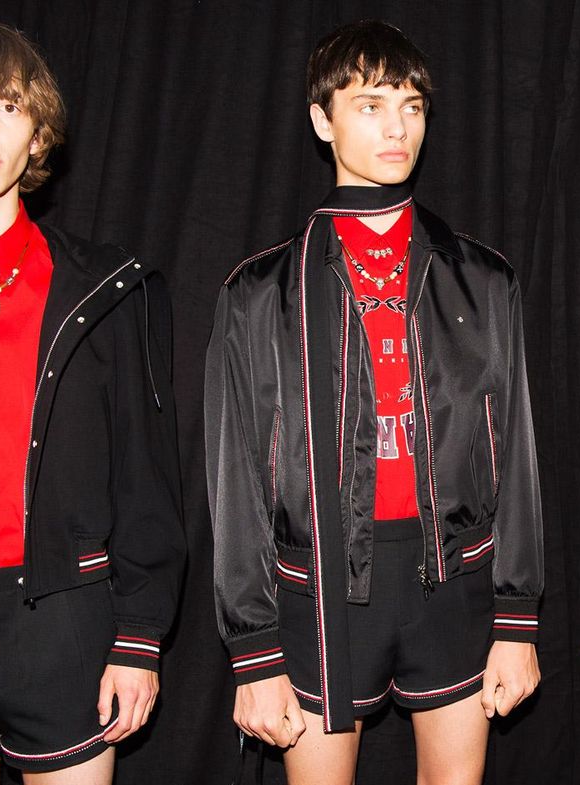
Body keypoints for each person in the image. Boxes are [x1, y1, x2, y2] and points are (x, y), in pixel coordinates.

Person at [205, 19, 545, 785]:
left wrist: (518, 616)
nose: (397, 126)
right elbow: (235, 484)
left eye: (413, 105)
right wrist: (253, 646)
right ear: (322, 120)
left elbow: (516, 455)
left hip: (452, 580)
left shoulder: (483, 280)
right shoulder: (260, 293)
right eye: (370, 104)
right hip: (316, 586)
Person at [0, 17, 184, 785]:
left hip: (68, 625)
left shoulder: (108, 287)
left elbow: (147, 477)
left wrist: (140, 635)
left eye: (11, 106)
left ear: (39, 132)